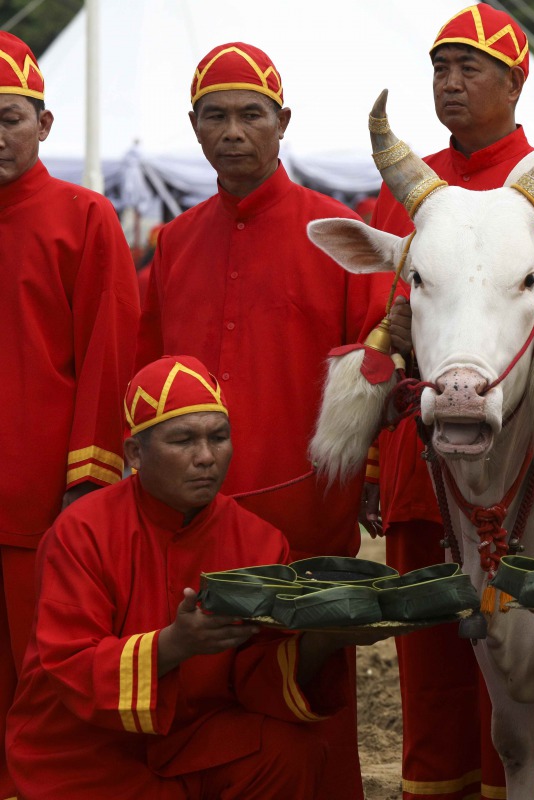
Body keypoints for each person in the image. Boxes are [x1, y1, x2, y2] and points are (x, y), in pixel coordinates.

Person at [134, 42, 379, 797]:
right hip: (190, 517)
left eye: (251, 115)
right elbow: (142, 378)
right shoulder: (171, 243)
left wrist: (368, 475)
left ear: (283, 124)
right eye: (216, 116)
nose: (233, 131)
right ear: (195, 127)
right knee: (198, 688)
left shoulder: (337, 235)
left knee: (310, 698)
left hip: (304, 512)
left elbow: (379, 375)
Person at [5, 356, 383, 799]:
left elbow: (255, 676)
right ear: (134, 454)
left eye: (218, 438)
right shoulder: (80, 532)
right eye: (183, 440)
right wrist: (173, 645)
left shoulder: (259, 541)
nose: (205, 457)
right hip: (87, 752)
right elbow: (70, 666)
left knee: (287, 749)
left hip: (198, 739)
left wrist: (325, 637)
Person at [366, 6, 534, 798]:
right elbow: (382, 331)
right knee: (428, 675)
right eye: (440, 67)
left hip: (522, 486)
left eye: (468, 68)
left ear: (515, 83)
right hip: (422, 467)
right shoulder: (407, 192)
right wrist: (380, 460)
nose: (449, 82)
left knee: (518, 670)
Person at [0, 30, 139, 796]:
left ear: (44, 125)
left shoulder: (84, 217)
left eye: (9, 117)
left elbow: (108, 360)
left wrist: (87, 492)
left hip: (41, 510)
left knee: (47, 691)